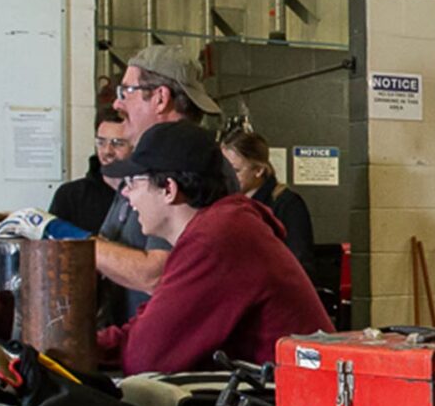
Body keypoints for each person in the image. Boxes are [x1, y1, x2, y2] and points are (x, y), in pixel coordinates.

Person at [96, 121, 332, 373]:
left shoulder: (215, 239)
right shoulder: (217, 230)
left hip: (289, 403)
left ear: (168, 188)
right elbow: (149, 328)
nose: (126, 194)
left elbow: (145, 358)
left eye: (133, 182)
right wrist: (72, 348)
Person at [94, 44, 224, 322]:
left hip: (165, 354)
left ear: (160, 98)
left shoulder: (187, 166)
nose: (117, 104)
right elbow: (107, 244)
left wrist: (61, 239)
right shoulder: (142, 164)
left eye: (125, 92)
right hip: (133, 343)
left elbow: (156, 274)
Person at [220, 126, 319, 283]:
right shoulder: (226, 205)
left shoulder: (287, 205)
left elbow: (300, 264)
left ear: (258, 170)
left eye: (235, 171)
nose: (226, 178)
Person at [46, 111, 130, 236]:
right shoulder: (70, 195)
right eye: (101, 142)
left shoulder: (149, 195)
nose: (107, 151)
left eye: (118, 143)